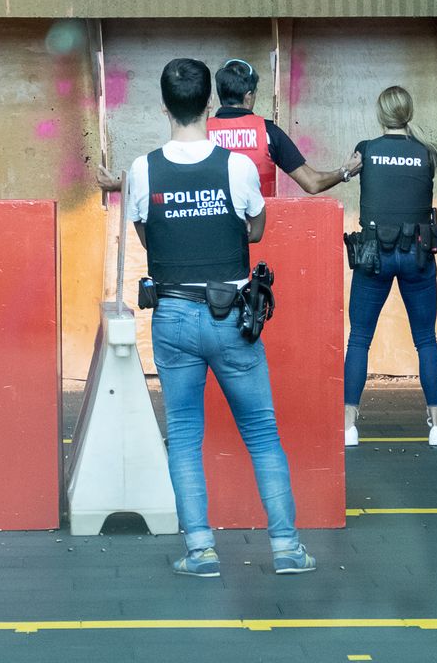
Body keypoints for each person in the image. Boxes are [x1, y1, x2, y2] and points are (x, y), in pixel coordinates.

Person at [126, 57, 315, 578]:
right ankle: (286, 548)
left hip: (172, 316)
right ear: (209, 104)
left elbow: (149, 236)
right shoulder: (236, 167)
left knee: (184, 434)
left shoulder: (142, 170)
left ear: (164, 105)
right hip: (231, 315)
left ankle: (201, 550)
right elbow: (254, 230)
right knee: (261, 432)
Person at [342, 86, 437, 448]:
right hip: (417, 253)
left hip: (374, 253)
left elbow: (353, 172)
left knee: (359, 339)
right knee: (426, 339)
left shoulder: (367, 150)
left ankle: (348, 427)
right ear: (408, 112)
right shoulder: (428, 153)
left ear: (381, 114)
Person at [98, 58, 361, 194]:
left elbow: (164, 176)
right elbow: (312, 183)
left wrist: (119, 184)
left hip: (210, 239)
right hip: (260, 241)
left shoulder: (199, 131)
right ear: (248, 97)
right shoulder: (268, 132)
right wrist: (344, 171)